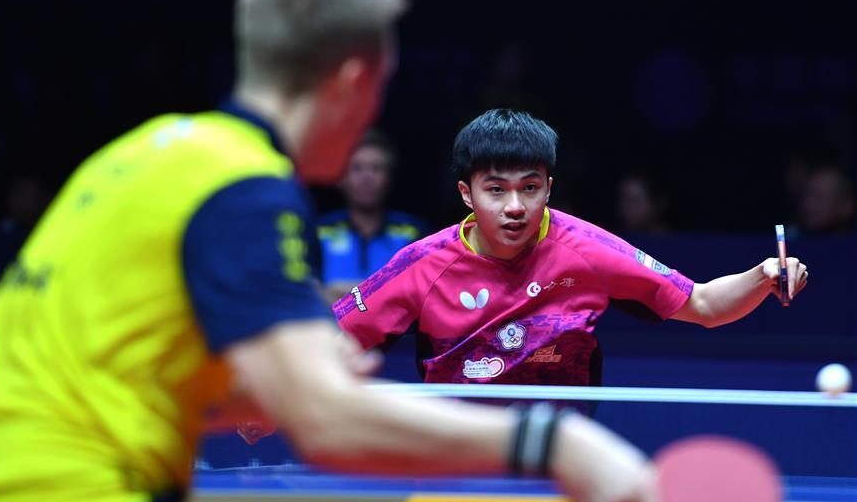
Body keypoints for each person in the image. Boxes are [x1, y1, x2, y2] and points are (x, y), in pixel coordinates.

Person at [0, 0, 671, 502]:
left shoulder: (149, 152)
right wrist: (555, 442)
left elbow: (117, 368)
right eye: (377, 91)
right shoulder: (247, 188)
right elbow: (326, 426)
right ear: (350, 81)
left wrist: (264, 393)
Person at [334, 109, 808, 388]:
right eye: (496, 190)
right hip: (451, 462)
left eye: (530, 187)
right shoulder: (422, 265)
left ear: (549, 188)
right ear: (466, 194)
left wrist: (764, 276)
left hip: (560, 464)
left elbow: (702, 304)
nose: (515, 206)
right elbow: (329, 339)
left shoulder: (586, 250)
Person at [317, 130, 425, 303]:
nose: (366, 177)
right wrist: (384, 291)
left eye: (376, 168)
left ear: (389, 178)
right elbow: (306, 292)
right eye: (357, 168)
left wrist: (339, 292)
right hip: (329, 329)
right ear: (341, 178)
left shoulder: (414, 232)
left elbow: (419, 293)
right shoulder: (319, 231)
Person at [797, 164, 856, 235]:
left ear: (847, 206)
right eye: (805, 195)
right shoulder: (784, 239)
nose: (807, 204)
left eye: (818, 198)